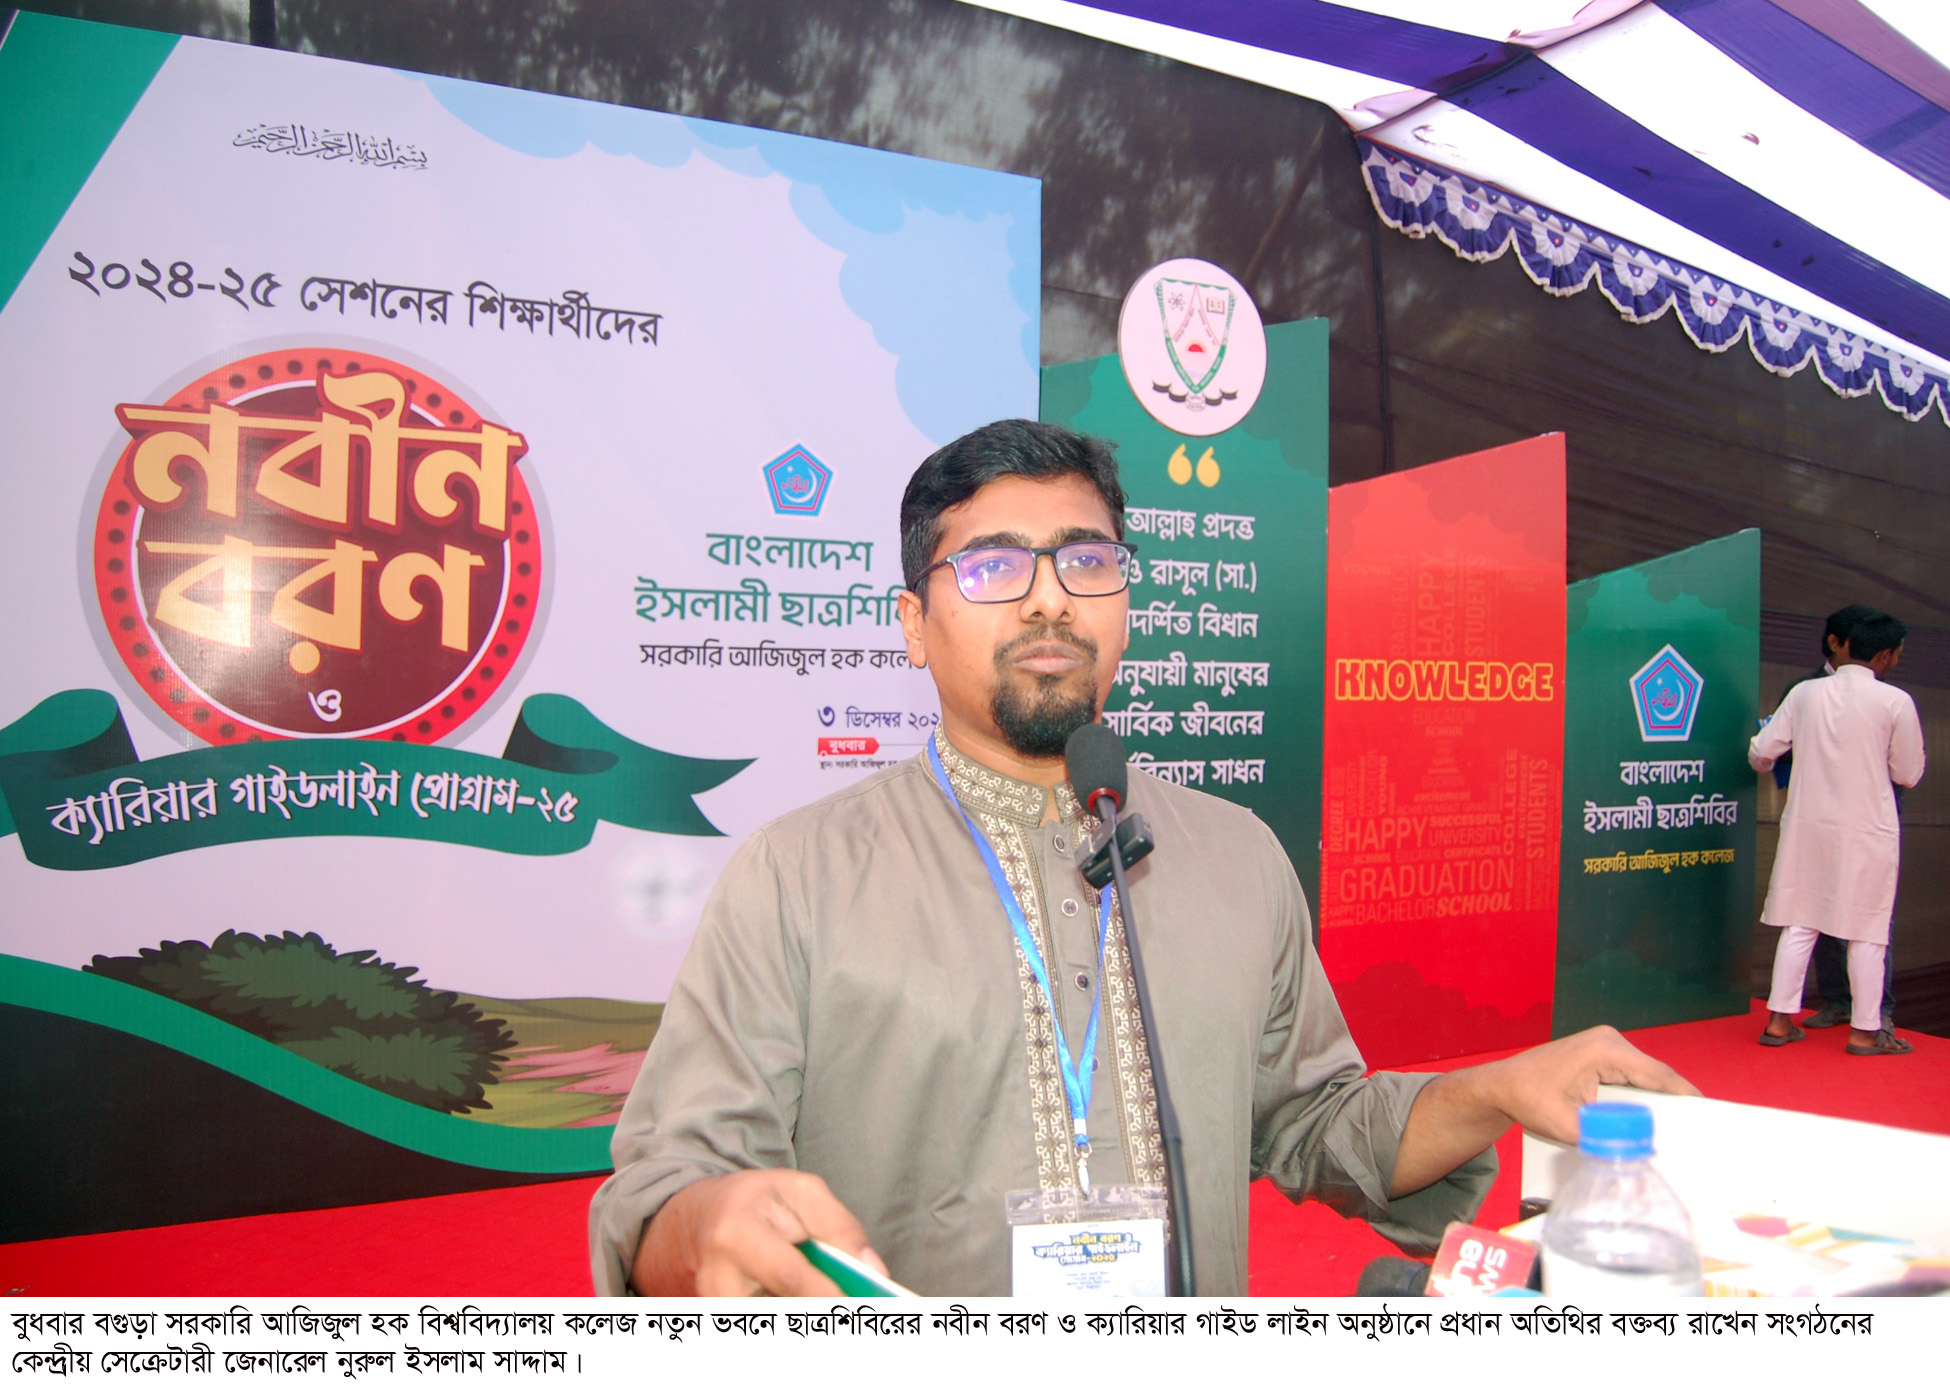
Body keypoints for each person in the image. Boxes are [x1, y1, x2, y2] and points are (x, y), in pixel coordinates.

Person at [588, 419, 1698, 1298]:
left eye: (1087, 560)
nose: (1049, 598)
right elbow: (669, 1188)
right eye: (991, 566)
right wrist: (701, 1221)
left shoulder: (1237, 854)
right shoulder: (798, 877)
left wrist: (1497, 1087)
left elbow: (1314, 1123)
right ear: (913, 623)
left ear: (1125, 602)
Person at [1751, 611, 1926, 1056]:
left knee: (1800, 921)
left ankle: (1778, 1022)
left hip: (1807, 826)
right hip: (1867, 829)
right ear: (1883, 656)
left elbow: (1762, 752)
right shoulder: (1895, 701)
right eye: (1897, 655)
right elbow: (1907, 772)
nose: (1896, 662)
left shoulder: (1804, 693)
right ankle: (1865, 1032)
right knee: (1866, 928)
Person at [1783, 607, 1899, 1031]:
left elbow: (1905, 764)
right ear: (1836, 642)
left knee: (1870, 919)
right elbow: (1778, 747)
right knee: (1816, 915)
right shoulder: (1803, 690)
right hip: (1819, 820)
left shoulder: (1889, 694)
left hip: (1869, 820)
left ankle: (1877, 1013)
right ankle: (1837, 1002)